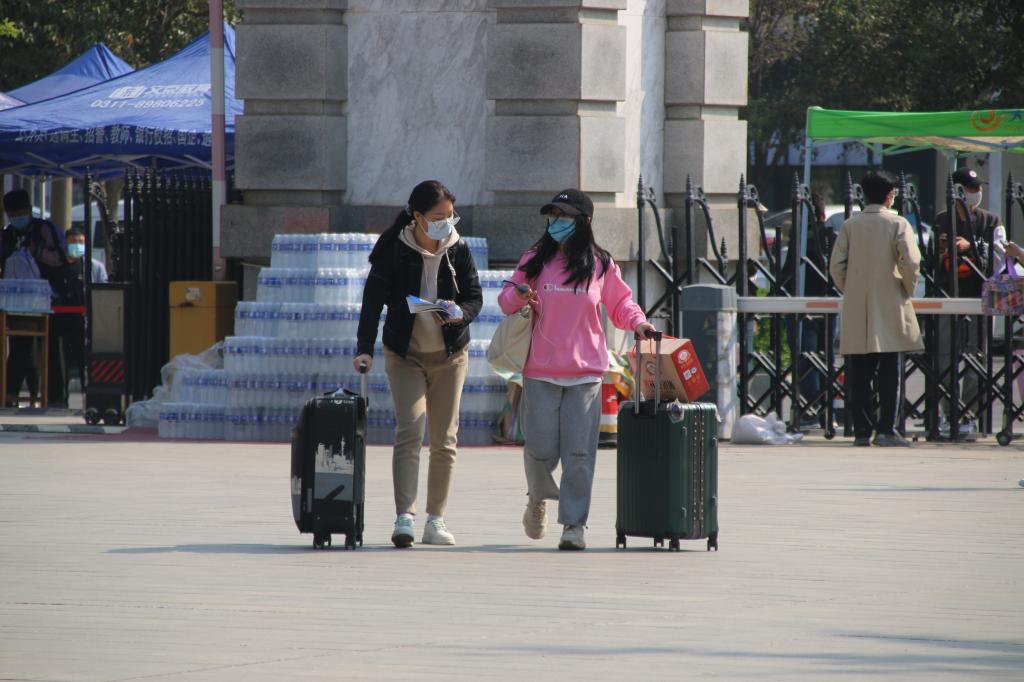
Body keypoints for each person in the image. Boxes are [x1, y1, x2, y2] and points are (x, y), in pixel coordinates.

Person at [499, 189, 655, 550]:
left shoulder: (600, 264)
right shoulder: (535, 258)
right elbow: (505, 301)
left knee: (580, 455)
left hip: (586, 375)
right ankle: (537, 498)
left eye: (564, 216)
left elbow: (621, 304)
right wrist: (519, 294)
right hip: (539, 372)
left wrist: (639, 323)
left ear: (584, 222)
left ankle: (573, 524)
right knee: (540, 450)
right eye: (552, 216)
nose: (556, 222)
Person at [355, 180, 482, 548]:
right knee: (410, 429)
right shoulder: (395, 249)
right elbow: (372, 302)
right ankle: (404, 517)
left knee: (445, 439)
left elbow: (474, 297)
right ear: (418, 216)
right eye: (438, 217)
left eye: (450, 216)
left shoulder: (458, 249)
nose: (446, 223)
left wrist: (460, 313)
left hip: (450, 355)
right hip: (405, 354)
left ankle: (435, 519)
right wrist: (364, 348)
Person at [829, 170, 923, 447]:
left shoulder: (850, 225)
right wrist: (905, 287)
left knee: (859, 372)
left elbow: (836, 266)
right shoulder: (898, 223)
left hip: (858, 304)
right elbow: (911, 262)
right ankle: (886, 429)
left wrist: (851, 288)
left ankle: (861, 431)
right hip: (890, 302)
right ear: (890, 195)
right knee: (890, 371)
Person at [933, 167, 1005, 439]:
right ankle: (947, 412)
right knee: (944, 358)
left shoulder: (991, 221)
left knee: (977, 357)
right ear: (958, 191)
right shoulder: (942, 220)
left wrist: (972, 247)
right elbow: (931, 259)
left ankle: (969, 414)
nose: (977, 193)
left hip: (979, 297)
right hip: (947, 296)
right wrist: (945, 248)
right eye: (972, 188)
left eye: (978, 188)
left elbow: (999, 259)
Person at [1, 189, 70, 407]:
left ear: (29, 210)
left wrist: (38, 252)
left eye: (20, 213)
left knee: (50, 348)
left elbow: (62, 258)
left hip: (48, 299)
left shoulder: (45, 229)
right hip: (17, 302)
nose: (16, 218)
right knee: (19, 347)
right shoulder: (7, 235)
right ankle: (9, 395)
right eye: (12, 215)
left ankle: (56, 397)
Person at [781, 193, 835, 429]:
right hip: (828, 304)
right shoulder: (830, 236)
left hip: (804, 305)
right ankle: (825, 411)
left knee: (807, 359)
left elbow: (789, 272)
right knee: (824, 359)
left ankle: (811, 409)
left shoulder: (803, 239)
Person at [58, 228, 108, 398]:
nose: (77, 245)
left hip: (84, 321)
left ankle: (88, 394)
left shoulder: (95, 267)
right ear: (65, 243)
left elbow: (102, 292)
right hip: (63, 320)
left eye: (80, 242)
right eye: (73, 242)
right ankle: (60, 395)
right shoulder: (58, 266)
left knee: (84, 359)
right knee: (63, 360)